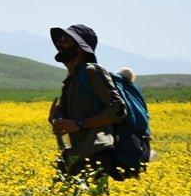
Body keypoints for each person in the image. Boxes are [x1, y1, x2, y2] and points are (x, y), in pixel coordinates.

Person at [48, 24, 130, 181]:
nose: (59, 44)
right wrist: (56, 120)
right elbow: (69, 123)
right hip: (74, 156)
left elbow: (119, 109)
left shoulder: (92, 72)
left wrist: (79, 123)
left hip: (96, 154)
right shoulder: (70, 81)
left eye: (65, 39)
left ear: (79, 47)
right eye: (59, 40)